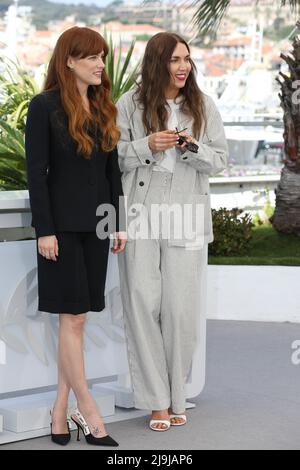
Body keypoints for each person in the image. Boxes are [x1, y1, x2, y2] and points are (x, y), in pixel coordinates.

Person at [116, 32, 228, 431]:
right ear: (157, 61)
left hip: (186, 208)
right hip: (141, 210)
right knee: (142, 305)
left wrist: (191, 148)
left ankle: (177, 394)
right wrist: (147, 144)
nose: (184, 67)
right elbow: (112, 158)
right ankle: (156, 402)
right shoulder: (129, 105)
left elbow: (220, 160)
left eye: (187, 59)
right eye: (175, 59)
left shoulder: (202, 105)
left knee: (180, 309)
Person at [25, 26, 126, 446]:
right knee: (75, 318)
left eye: (101, 56)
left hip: (97, 228)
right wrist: (44, 230)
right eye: (91, 57)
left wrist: (117, 221)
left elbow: (112, 172)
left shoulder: (105, 107)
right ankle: (88, 408)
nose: (100, 64)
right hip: (62, 230)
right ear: (68, 60)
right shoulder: (43, 106)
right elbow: (37, 174)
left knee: (78, 320)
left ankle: (59, 411)